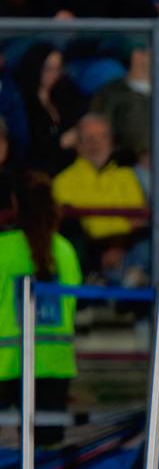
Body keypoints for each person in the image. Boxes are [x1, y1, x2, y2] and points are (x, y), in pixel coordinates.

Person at [0, 172, 81, 447]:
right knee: (47, 458)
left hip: (6, 365)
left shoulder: (4, 247)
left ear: (15, 204)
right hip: (55, 366)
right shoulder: (66, 250)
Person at [51, 114, 147, 285]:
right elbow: (70, 229)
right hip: (91, 251)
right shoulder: (63, 181)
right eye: (89, 138)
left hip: (126, 246)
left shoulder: (126, 176)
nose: (96, 143)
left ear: (111, 141)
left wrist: (118, 247)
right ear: (78, 145)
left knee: (152, 242)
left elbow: (138, 219)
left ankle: (131, 284)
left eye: (102, 137)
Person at [16, 43, 87, 176]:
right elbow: (26, 145)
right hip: (37, 170)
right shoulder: (22, 99)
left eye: (58, 68)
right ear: (36, 68)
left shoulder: (67, 91)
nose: (54, 74)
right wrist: (60, 142)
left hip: (71, 165)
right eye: (48, 69)